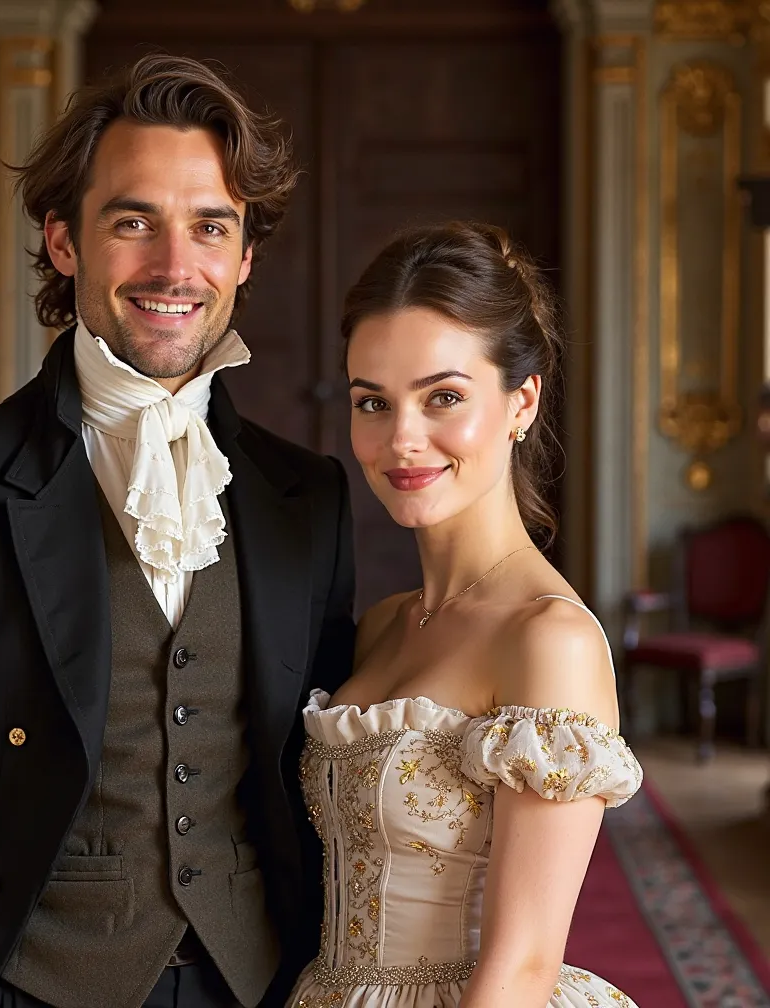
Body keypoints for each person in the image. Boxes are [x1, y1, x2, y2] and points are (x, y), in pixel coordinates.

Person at [0, 54, 355, 1008]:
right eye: (132, 221)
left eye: (210, 227)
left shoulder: (306, 496)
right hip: (29, 985)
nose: (175, 267)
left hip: (256, 983)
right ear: (64, 243)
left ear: (244, 257)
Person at [289, 222, 643, 1008]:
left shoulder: (549, 639)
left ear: (523, 400)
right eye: (371, 403)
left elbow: (521, 969)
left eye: (443, 397)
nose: (401, 440)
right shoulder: (382, 625)